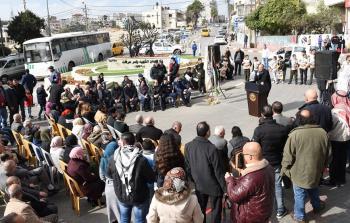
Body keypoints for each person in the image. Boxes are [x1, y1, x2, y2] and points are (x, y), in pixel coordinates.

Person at [281, 110, 329, 222]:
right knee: (314, 188)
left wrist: (286, 172)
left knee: (299, 195)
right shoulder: (322, 132)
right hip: (316, 171)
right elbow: (328, 154)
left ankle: (299, 217)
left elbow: (287, 158)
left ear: (299, 120)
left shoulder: (294, 135)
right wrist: (323, 167)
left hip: (299, 174)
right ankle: (316, 206)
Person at [107, 132, 155, 223]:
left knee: (124, 219)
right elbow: (151, 178)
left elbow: (109, 175)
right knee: (140, 220)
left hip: (122, 195)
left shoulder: (113, 159)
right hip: (139, 196)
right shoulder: (141, 160)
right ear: (134, 142)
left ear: (123, 142)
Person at [252, 105, 289, 218]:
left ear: (262, 115)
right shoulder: (281, 129)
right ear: (272, 113)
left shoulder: (259, 130)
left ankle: (264, 210)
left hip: (263, 163)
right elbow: (285, 146)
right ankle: (280, 209)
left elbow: (255, 146)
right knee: (278, 186)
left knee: (263, 187)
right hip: (277, 161)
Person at [184, 121, 226, 223]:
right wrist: (225, 188)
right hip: (214, 186)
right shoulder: (212, 148)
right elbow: (218, 171)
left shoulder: (188, 146)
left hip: (199, 185)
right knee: (216, 211)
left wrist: (194, 180)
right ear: (207, 132)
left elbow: (188, 166)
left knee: (201, 210)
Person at [225, 142, 274, 223]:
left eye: (244, 154)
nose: (242, 156)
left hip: (250, 217)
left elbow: (234, 195)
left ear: (250, 157)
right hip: (263, 213)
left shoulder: (251, 177)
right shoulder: (269, 167)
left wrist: (229, 180)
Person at [327, 91, 350, 186]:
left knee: (334, 160)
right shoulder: (348, 108)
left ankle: (333, 180)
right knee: (343, 158)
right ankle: (342, 179)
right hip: (347, 138)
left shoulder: (335, 111)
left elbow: (330, 126)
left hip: (335, 139)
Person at [99, 140, 120, 223]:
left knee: (112, 212)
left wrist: (107, 181)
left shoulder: (103, 159)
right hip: (118, 188)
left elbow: (101, 176)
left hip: (108, 187)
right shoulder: (118, 159)